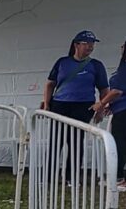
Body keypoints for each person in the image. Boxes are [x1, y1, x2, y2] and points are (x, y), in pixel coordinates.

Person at [43, 30, 109, 183]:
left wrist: (100, 108)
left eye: (92, 44)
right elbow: (50, 84)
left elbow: (104, 90)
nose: (90, 47)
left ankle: (71, 176)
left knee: (76, 141)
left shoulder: (96, 65)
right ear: (76, 45)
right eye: (86, 43)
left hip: (83, 106)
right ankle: (49, 176)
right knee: (56, 140)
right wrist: (47, 104)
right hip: (60, 104)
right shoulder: (62, 62)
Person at [94, 36, 126, 192]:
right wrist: (113, 105)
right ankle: (123, 177)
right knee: (122, 143)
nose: (121, 47)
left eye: (123, 45)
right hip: (121, 108)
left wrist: (101, 103)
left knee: (125, 144)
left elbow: (117, 91)